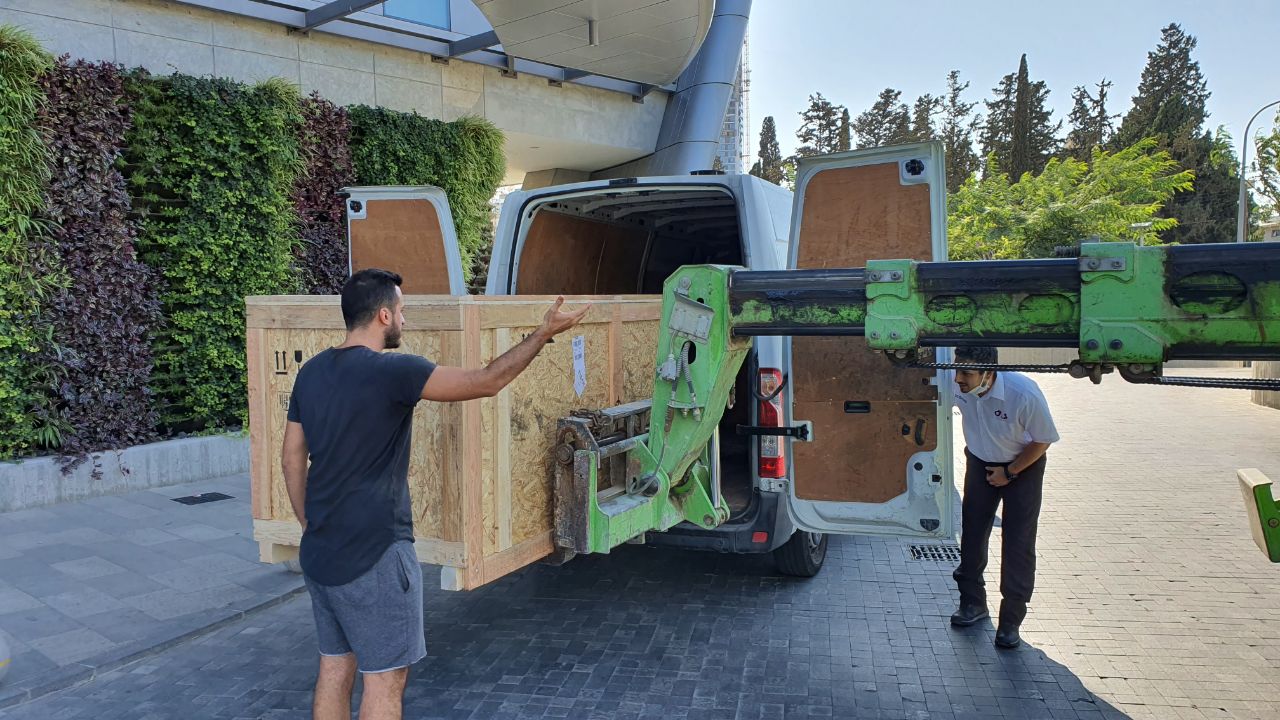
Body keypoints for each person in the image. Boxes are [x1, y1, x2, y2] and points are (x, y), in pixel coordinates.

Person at [280, 268, 589, 719]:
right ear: (384, 315)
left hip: (321, 551)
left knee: (334, 666)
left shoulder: (311, 372)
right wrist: (543, 333)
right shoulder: (394, 371)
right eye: (402, 310)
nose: (404, 319)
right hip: (375, 554)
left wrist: (309, 524)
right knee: (384, 679)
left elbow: (291, 459)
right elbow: (485, 381)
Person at [948, 346, 1059, 649]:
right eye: (957, 370)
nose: (958, 379)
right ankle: (972, 604)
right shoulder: (957, 383)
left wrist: (1009, 472)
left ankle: (1011, 620)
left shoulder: (1023, 393)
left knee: (1018, 540)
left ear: (989, 373)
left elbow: (1043, 440)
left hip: (1022, 466)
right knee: (972, 533)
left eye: (966, 373)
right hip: (979, 462)